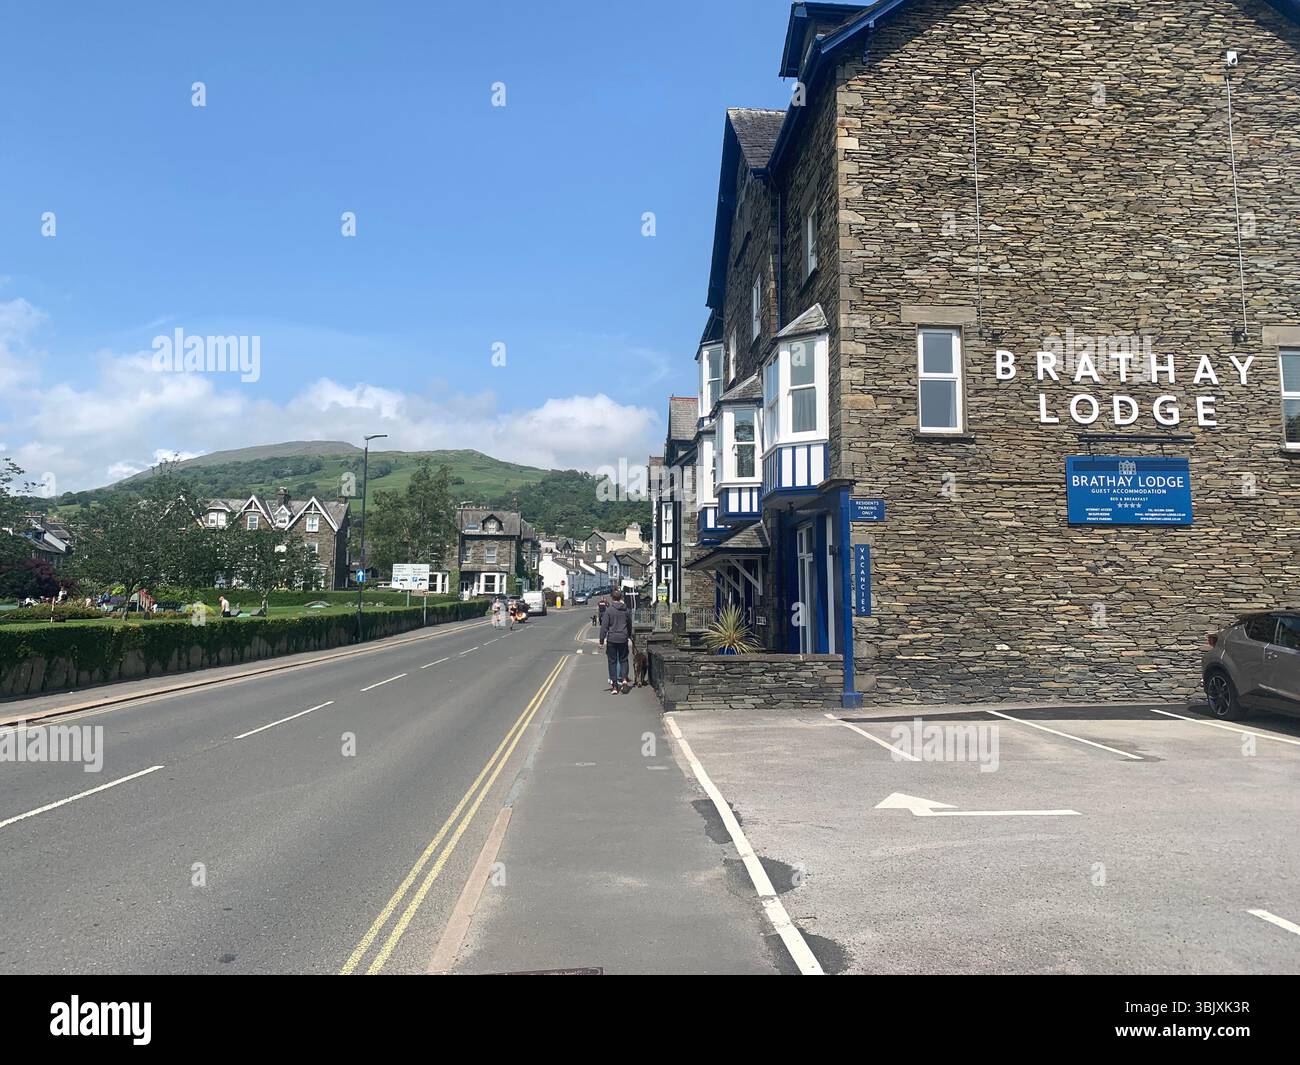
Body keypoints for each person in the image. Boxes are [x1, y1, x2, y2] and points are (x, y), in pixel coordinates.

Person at [599, 589, 633, 695]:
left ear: (612, 598)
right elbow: (629, 624)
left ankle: (614, 686)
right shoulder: (626, 610)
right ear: (620, 598)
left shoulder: (609, 610)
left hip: (612, 639)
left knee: (612, 662)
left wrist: (601, 640)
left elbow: (604, 626)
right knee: (624, 660)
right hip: (623, 638)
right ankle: (623, 680)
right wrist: (629, 635)